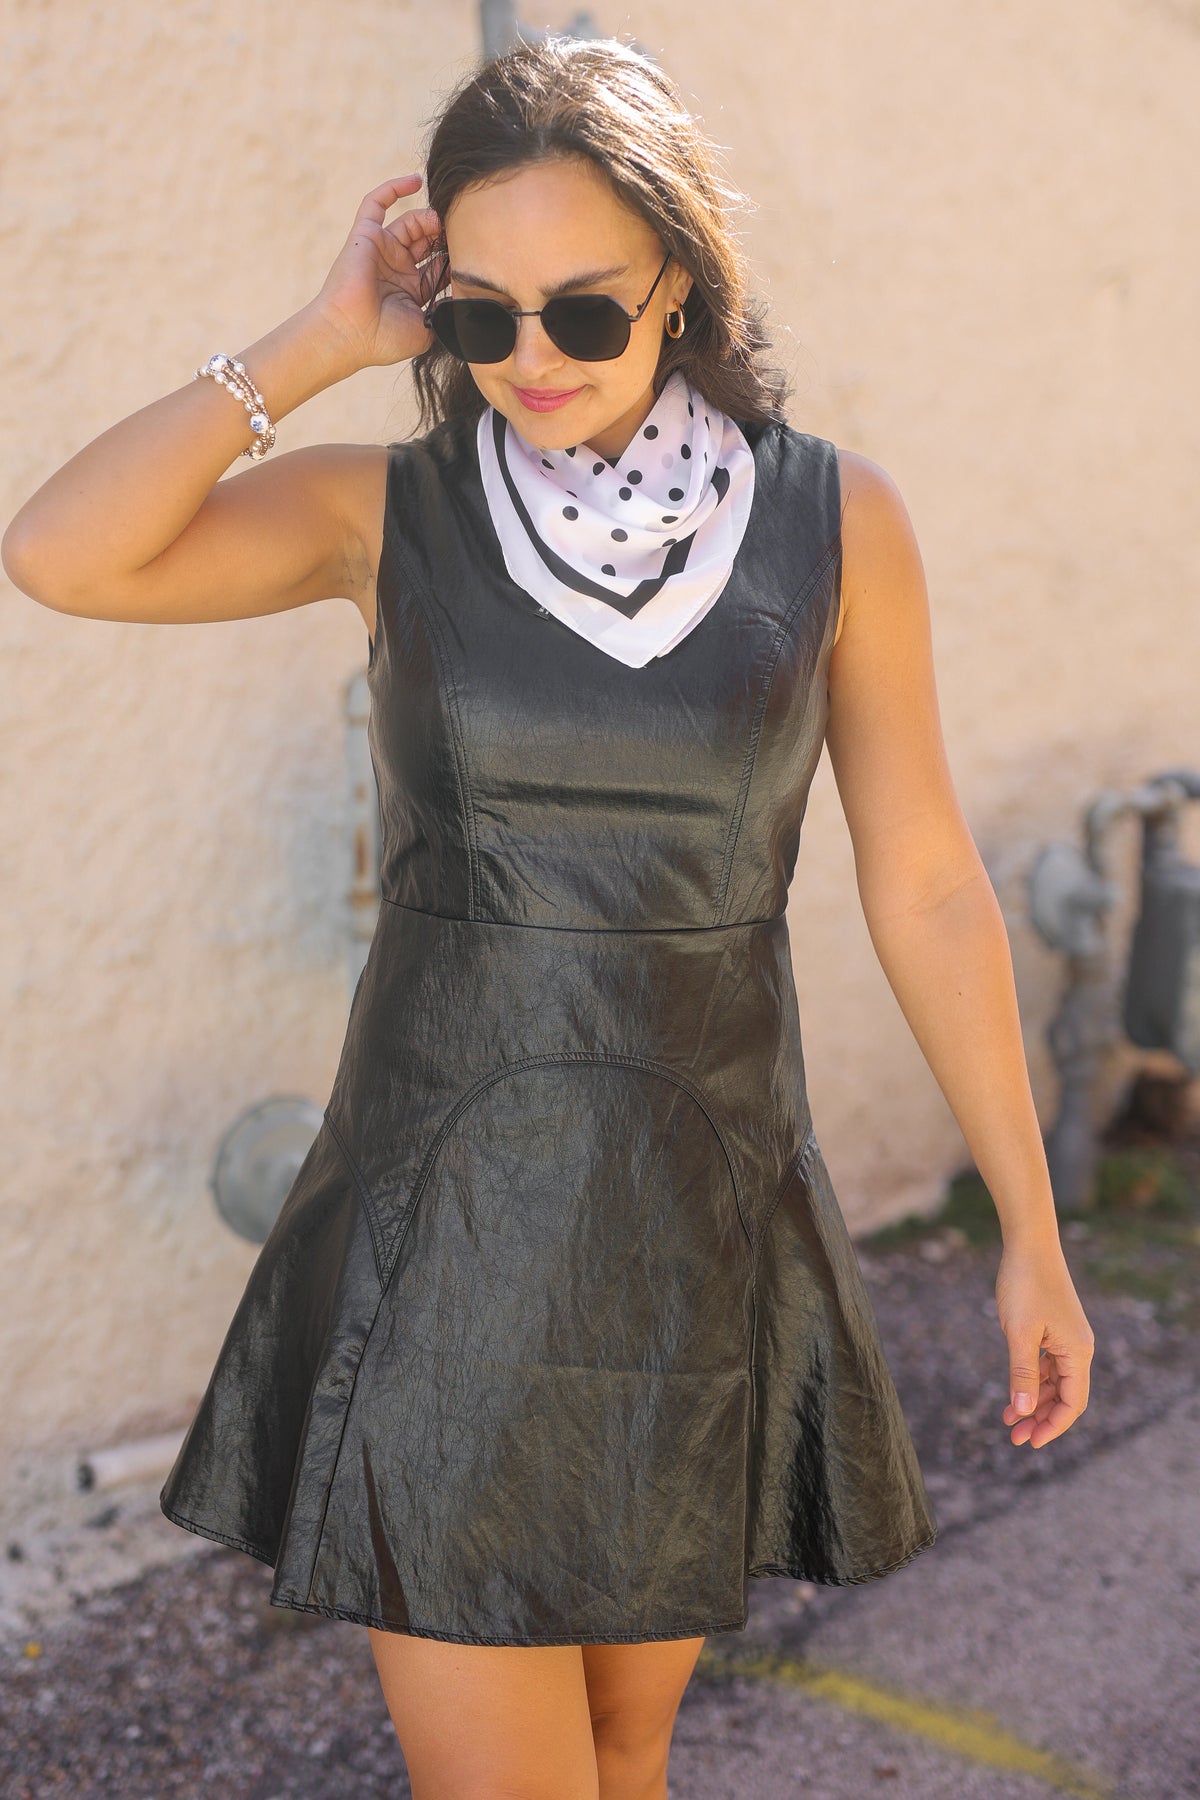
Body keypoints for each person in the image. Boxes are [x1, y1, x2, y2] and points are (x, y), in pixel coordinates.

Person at [2, 32, 1094, 1800]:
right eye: (477, 315)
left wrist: (1032, 1233)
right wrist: (316, 344)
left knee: (619, 1745)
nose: (528, 361)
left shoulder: (834, 523)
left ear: (681, 277)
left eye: (582, 313)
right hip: (447, 1229)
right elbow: (63, 553)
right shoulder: (397, 511)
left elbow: (931, 886)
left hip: (695, 1219)